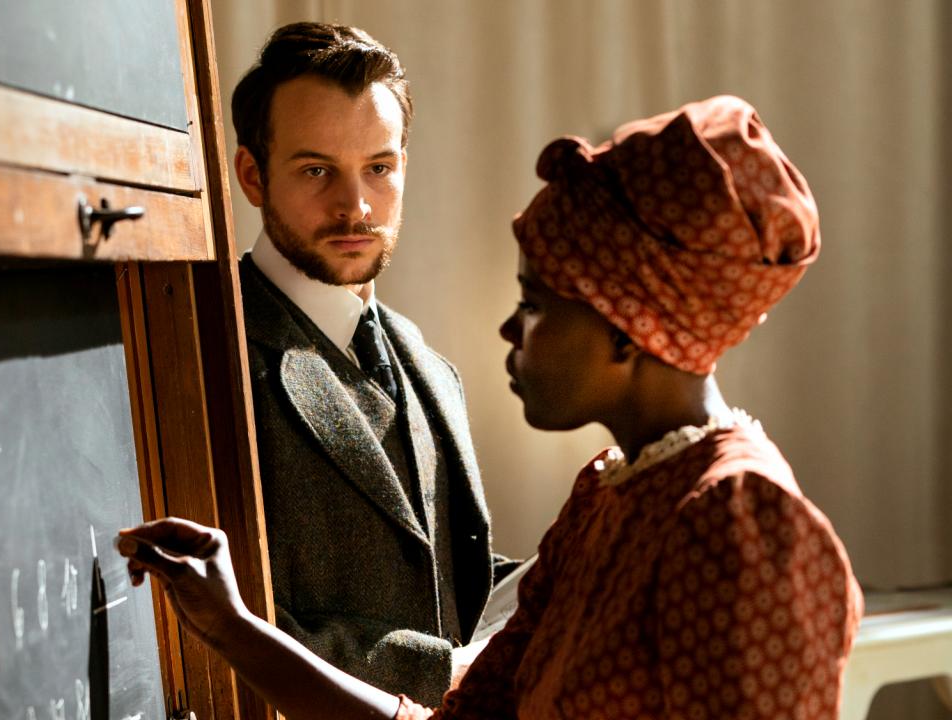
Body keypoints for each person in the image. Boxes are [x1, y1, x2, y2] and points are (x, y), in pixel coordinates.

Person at [121, 95, 863, 719]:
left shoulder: (738, 522)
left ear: (627, 327)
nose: (509, 329)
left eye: (535, 305)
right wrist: (233, 628)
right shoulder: (606, 497)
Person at [229, 21, 519, 704]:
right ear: (252, 175)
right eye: (316, 170)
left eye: (379, 169)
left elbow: (449, 589)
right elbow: (215, 625)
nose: (355, 206)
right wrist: (440, 672)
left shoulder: (428, 365)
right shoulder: (211, 352)